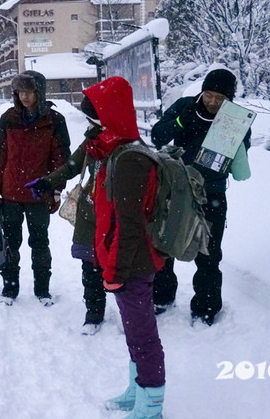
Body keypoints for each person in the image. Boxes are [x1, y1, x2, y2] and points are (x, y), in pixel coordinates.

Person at [83, 76, 166, 418]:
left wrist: (115, 271)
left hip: (133, 264)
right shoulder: (116, 151)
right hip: (125, 262)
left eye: (94, 118)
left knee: (144, 337)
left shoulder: (129, 160)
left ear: (109, 115)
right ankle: (138, 391)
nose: (90, 126)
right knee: (135, 334)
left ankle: (151, 407)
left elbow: (129, 224)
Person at [151, 67, 251, 326]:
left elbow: (238, 160)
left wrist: (235, 139)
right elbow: (157, 135)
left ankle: (206, 307)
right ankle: (161, 296)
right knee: (165, 244)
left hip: (212, 193)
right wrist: (182, 122)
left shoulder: (235, 119)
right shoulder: (186, 105)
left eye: (221, 98)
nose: (213, 102)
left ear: (230, 99)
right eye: (209, 95)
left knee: (209, 253)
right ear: (202, 91)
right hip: (175, 189)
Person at [0, 70, 71, 304]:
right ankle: (9, 289)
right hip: (10, 193)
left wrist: (56, 189)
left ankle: (42, 290)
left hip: (39, 192)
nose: (24, 97)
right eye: (20, 92)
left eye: (29, 91)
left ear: (40, 92)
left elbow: (60, 158)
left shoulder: (54, 121)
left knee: (39, 242)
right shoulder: (8, 118)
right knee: (10, 242)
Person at [26, 118, 106, 332]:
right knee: (90, 263)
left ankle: (133, 315)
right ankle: (94, 312)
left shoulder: (127, 143)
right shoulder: (93, 138)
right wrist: (48, 182)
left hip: (119, 212)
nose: (91, 123)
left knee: (121, 265)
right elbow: (73, 165)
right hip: (90, 208)